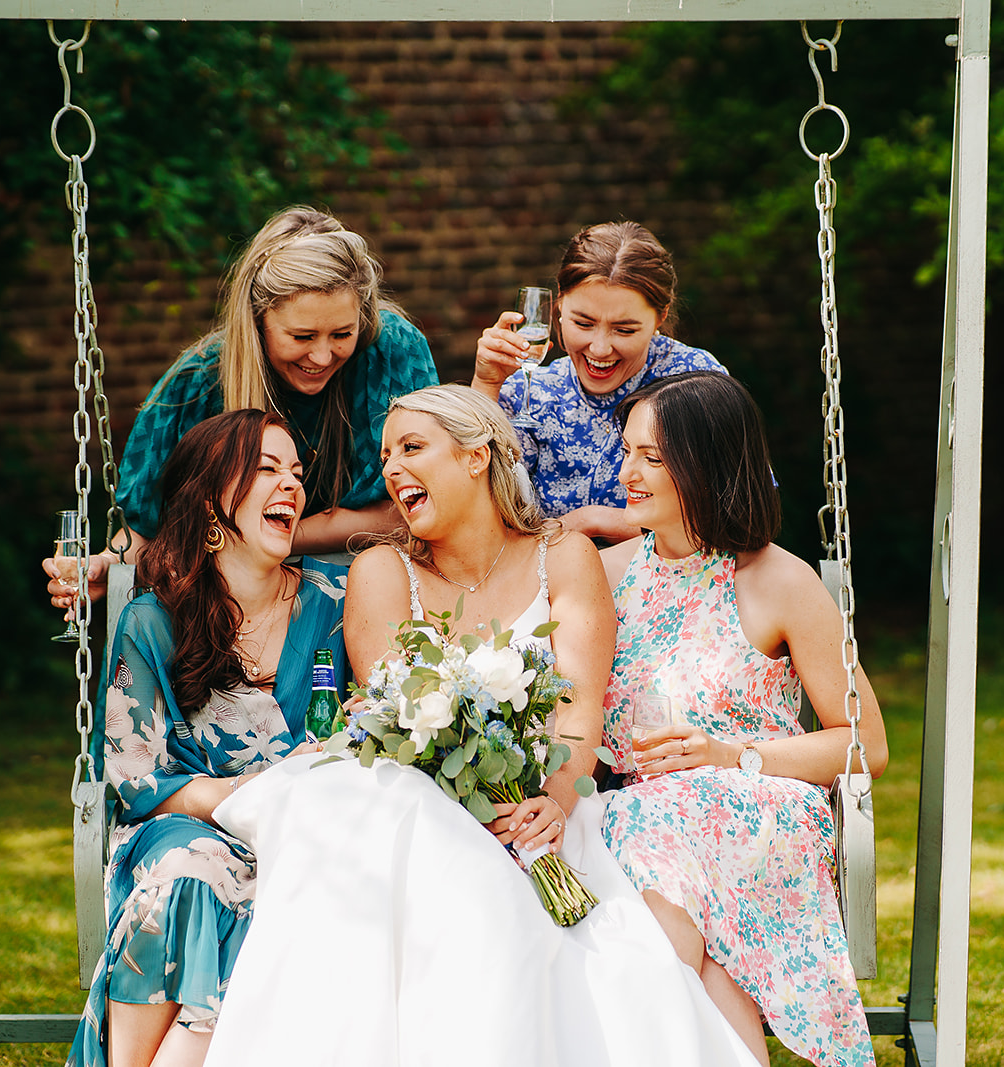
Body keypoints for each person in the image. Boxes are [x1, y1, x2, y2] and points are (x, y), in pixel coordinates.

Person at [199, 385, 759, 1066]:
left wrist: (554, 800)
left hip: (542, 809)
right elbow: (397, 718)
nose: (392, 469)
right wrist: (480, 802)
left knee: (598, 959)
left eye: (412, 447)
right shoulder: (382, 570)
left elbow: (582, 709)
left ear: (476, 456)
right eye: (386, 455)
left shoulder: (564, 555)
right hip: (416, 802)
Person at [597, 371, 890, 1067]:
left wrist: (729, 754)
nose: (626, 472)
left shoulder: (779, 580)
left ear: (706, 465)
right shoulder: (606, 575)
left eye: (652, 458)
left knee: (655, 846)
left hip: (757, 810)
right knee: (694, 928)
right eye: (628, 450)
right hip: (643, 815)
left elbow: (865, 743)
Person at [65, 409, 348, 1067]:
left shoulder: (333, 605)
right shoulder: (153, 619)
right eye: (268, 469)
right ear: (214, 498)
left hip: (304, 835)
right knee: (190, 873)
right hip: (180, 825)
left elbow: (362, 728)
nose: (292, 486)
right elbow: (133, 778)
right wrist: (239, 793)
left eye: (297, 473)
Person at [44, 206, 437, 616]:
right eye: (301, 336)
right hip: (232, 611)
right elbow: (147, 532)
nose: (322, 356)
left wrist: (274, 534)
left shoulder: (392, 352)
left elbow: (412, 504)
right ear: (257, 319)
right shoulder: (195, 384)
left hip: (372, 596)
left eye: (342, 333)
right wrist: (107, 567)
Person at [470, 221, 726, 543]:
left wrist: (594, 521)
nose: (600, 348)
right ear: (559, 305)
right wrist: (485, 386)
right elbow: (472, 511)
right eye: (584, 323)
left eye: (624, 330)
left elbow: (731, 507)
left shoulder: (695, 378)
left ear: (660, 317)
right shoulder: (526, 391)